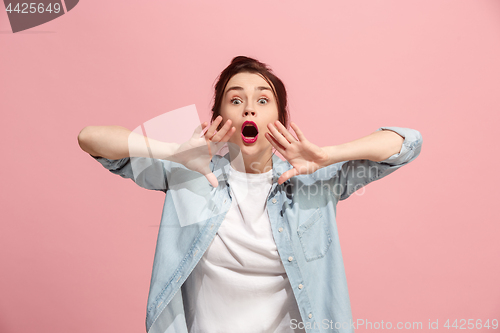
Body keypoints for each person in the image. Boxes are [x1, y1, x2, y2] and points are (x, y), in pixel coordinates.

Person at [77, 56, 423, 333]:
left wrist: (328, 155)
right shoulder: (189, 175)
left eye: (262, 99)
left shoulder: (314, 180)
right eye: (236, 99)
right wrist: (172, 152)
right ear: (218, 117)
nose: (249, 109)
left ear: (279, 118)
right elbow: (91, 138)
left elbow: (407, 142)